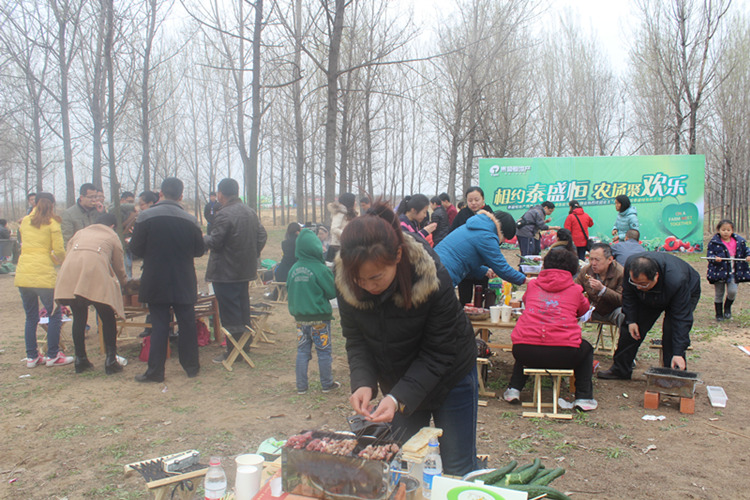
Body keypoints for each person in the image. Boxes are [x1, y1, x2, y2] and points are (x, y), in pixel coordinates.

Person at [336, 203, 477, 476]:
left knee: (457, 466)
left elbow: (439, 352)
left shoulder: (432, 277)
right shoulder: (345, 280)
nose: (367, 286)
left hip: (451, 374)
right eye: (359, 280)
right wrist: (363, 381)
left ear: (398, 255)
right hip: (399, 378)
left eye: (375, 277)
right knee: (405, 462)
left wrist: (397, 396)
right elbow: (356, 339)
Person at [130, 177, 206, 382]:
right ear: (181, 196)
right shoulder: (190, 220)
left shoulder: (145, 217)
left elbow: (135, 249)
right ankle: (191, 367)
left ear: (161, 193)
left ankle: (155, 371)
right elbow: (199, 250)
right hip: (183, 278)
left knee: (159, 326)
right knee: (187, 324)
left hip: (156, 278)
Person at [503, 249, 596, 410]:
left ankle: (514, 389)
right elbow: (583, 310)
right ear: (573, 268)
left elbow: (526, 301)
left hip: (524, 351)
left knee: (528, 337)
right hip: (564, 353)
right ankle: (583, 397)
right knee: (586, 349)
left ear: (545, 265)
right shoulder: (575, 289)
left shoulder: (533, 285)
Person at [598, 253, 701, 380]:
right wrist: (631, 320)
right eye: (635, 283)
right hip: (650, 294)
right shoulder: (631, 266)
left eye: (643, 284)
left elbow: (681, 319)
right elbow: (628, 295)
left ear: (656, 276)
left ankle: (674, 375)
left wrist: (678, 352)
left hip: (685, 290)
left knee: (671, 331)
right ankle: (620, 370)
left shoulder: (678, 280)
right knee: (631, 329)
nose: (638, 287)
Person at [55, 213, 128, 374]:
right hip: (95, 272)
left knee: (79, 317)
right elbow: (118, 265)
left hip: (71, 273)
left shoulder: (80, 233)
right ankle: (111, 360)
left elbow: (69, 253)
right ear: (112, 226)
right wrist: (124, 283)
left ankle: (80, 359)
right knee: (107, 316)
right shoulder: (112, 236)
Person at [204, 178, 267, 364]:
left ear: (221, 194)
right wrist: (252, 253)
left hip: (225, 272)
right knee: (242, 308)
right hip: (244, 270)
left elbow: (215, 242)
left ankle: (234, 351)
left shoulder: (224, 214)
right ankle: (244, 347)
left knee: (230, 312)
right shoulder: (250, 212)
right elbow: (262, 235)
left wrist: (203, 238)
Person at [15, 192, 73, 368]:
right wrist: (63, 262)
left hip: (24, 274)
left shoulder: (25, 221)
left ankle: (32, 356)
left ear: (34, 204)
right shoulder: (53, 223)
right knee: (54, 314)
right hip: (44, 275)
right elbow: (59, 249)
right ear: (53, 205)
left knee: (31, 317)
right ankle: (53, 355)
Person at [288, 228, 339, 394]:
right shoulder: (320, 269)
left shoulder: (293, 269)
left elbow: (289, 290)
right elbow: (332, 292)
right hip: (319, 320)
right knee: (323, 352)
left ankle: (301, 387)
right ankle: (327, 384)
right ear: (316, 247)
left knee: (303, 351)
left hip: (300, 319)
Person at [435, 210, 526, 289]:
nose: (503, 241)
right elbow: (502, 267)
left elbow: (465, 260)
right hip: (442, 275)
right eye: (504, 238)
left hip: (434, 266)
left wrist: (485, 271)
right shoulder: (487, 236)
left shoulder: (478, 226)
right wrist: (525, 280)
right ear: (502, 232)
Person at [449, 186, 494, 305]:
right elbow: (451, 235)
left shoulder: (490, 215)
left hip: (483, 262)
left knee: (482, 297)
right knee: (464, 298)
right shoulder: (462, 215)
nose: (473, 203)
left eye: (476, 200)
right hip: (465, 264)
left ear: (483, 199)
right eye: (470, 200)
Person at [706, 219, 750, 321]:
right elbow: (709, 255)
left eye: (728, 230)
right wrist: (714, 258)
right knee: (719, 293)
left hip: (734, 272)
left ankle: (727, 308)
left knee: (732, 291)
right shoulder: (714, 243)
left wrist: (748, 255)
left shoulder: (739, 242)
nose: (726, 232)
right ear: (718, 230)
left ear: (732, 231)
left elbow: (746, 250)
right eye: (723, 230)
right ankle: (719, 314)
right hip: (719, 272)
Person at [575, 243, 625, 327]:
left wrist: (603, 290)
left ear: (609, 260)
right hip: (592, 309)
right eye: (591, 259)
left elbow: (623, 299)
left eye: (597, 260)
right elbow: (575, 289)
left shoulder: (620, 273)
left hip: (613, 310)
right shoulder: (586, 270)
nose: (593, 263)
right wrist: (584, 306)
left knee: (624, 314)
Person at [327, 193, 357, 262]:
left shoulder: (350, 214)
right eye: (354, 201)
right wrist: (346, 235)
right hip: (337, 247)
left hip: (347, 246)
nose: (356, 203)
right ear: (350, 202)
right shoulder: (340, 213)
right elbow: (334, 228)